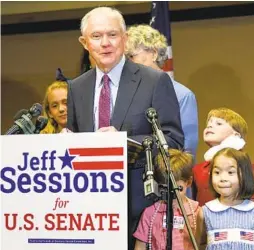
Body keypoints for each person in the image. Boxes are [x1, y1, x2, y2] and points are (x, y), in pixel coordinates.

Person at [66, 7, 184, 250]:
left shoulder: (154, 81)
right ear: (84, 42)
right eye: (96, 36)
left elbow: (173, 141)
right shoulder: (76, 88)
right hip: (91, 209)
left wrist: (124, 141)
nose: (105, 43)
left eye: (112, 35)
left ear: (125, 38)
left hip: (138, 207)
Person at [126, 24, 199, 158]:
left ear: (153, 54)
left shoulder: (183, 95)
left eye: (131, 56)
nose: (127, 64)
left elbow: (187, 151)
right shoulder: (125, 93)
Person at [195, 148, 254, 250]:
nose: (223, 178)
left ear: (244, 175)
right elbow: (197, 245)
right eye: (217, 172)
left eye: (230, 172)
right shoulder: (205, 212)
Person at [133, 149, 199, 250]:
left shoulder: (197, 212)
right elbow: (140, 247)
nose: (171, 194)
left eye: (178, 189)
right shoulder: (150, 213)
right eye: (165, 188)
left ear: (189, 182)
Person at [192, 107, 254, 205]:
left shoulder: (244, 165)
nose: (210, 126)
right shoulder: (198, 169)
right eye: (208, 124)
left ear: (236, 135)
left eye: (218, 123)